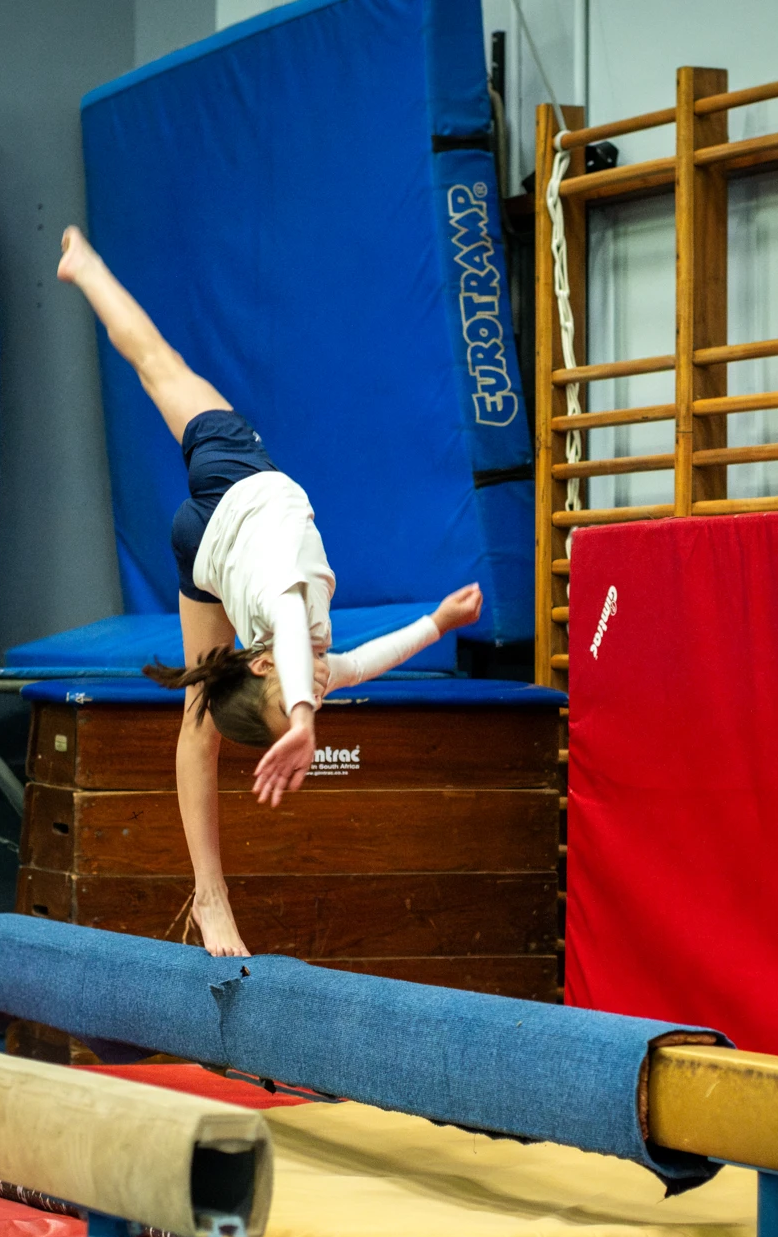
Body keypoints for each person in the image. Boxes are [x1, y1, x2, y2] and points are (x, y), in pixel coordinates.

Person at [56, 226, 484, 956]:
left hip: (234, 489)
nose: (313, 690)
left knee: (160, 364)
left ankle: (88, 268)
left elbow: (288, 625)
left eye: (293, 696)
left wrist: (302, 720)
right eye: (306, 699)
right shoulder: (313, 670)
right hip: (209, 551)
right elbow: (364, 663)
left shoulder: (286, 615)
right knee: (199, 713)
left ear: (262, 664)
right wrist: (437, 624)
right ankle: (209, 894)